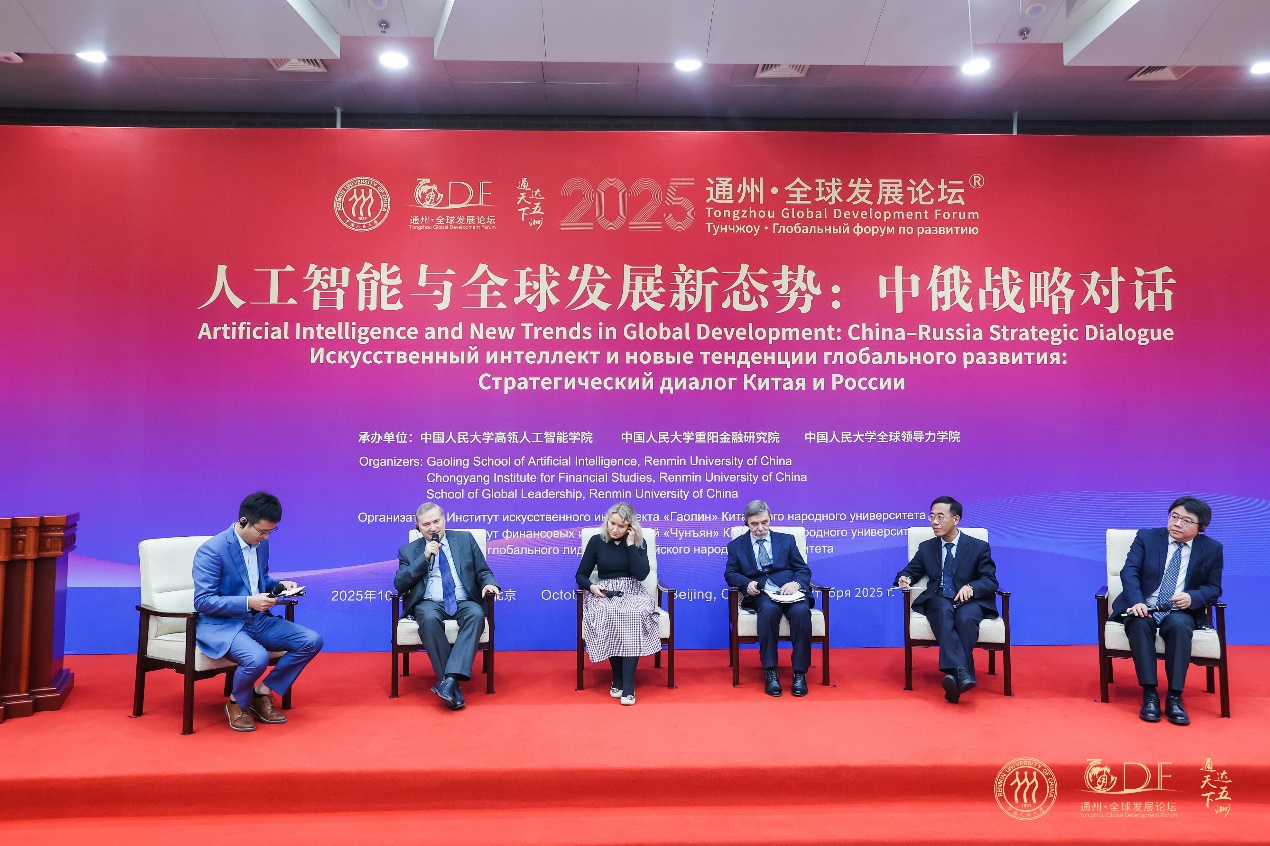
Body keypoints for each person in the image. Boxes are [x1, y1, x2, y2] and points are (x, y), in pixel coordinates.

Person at [192, 491, 324, 732]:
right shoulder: (212, 551)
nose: (265, 537)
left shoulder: (261, 545)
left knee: (311, 640)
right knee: (257, 657)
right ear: (243, 521)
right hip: (223, 624)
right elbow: (203, 601)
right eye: (262, 532)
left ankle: (261, 692)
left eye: (271, 532)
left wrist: (279, 585)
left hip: (258, 620)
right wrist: (248, 602)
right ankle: (236, 702)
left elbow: (259, 580)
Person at [1112, 496, 1223, 726]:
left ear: (1201, 527)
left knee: (1180, 626)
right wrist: (1137, 602)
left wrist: (1193, 597)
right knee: (1139, 622)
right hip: (1142, 605)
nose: (1177, 523)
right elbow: (1129, 572)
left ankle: (1174, 697)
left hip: (1179, 610)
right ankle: (1150, 694)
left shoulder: (1212, 549)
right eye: (1174, 516)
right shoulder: (1147, 537)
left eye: (1186, 520)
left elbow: (1214, 588)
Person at [395, 502, 500, 710]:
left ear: (444, 519)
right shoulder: (408, 551)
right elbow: (400, 584)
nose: (433, 527)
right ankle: (453, 685)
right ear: (418, 526)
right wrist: (424, 558)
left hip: (463, 600)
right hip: (429, 602)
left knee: (476, 614)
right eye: (426, 524)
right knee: (428, 617)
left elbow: (483, 571)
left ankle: (449, 680)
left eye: (436, 521)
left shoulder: (465, 540)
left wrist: (489, 583)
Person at [895, 496, 998, 704]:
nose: (934, 522)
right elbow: (910, 571)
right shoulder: (927, 547)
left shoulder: (978, 547)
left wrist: (972, 587)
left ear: (956, 519)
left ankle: (954, 677)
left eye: (940, 517)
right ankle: (963, 673)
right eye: (931, 516)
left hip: (968, 602)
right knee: (942, 609)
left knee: (966, 619)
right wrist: (904, 578)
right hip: (938, 598)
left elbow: (990, 580)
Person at [724, 500, 813, 697]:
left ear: (770, 519)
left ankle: (800, 673)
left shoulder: (787, 540)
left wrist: (796, 584)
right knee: (769, 610)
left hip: (789, 590)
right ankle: (770, 671)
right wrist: (746, 583)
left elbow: (803, 569)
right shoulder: (736, 546)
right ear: (746, 523)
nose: (760, 528)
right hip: (761, 593)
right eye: (754, 524)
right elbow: (730, 574)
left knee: (801, 612)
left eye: (764, 522)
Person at [576, 502, 661, 705]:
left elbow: (641, 575)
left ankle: (628, 686)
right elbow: (580, 575)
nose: (614, 529)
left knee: (633, 613)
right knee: (609, 612)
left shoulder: (638, 542)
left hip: (632, 590)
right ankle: (618, 677)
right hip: (605, 591)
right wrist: (592, 587)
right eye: (612, 523)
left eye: (621, 526)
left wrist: (630, 545)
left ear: (630, 527)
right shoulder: (597, 541)